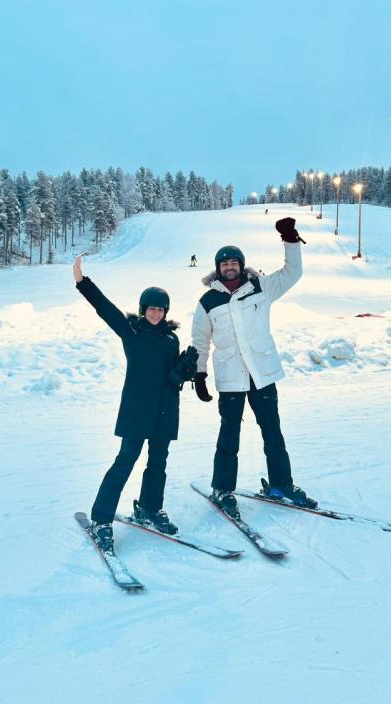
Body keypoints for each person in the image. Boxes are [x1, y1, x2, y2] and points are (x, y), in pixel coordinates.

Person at [191, 217, 317, 518]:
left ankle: (281, 485)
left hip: (261, 374)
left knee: (272, 431)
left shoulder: (261, 287)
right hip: (230, 378)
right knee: (229, 434)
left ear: (241, 264)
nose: (229, 267)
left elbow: (292, 272)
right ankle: (222, 489)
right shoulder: (208, 300)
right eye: (224, 264)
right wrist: (199, 373)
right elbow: (200, 338)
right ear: (218, 268)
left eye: (234, 262)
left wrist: (289, 239)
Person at [73, 255, 198, 550]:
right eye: (151, 308)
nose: (156, 313)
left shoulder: (171, 340)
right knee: (125, 461)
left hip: (165, 411)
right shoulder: (131, 332)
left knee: (158, 463)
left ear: (166, 312)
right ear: (143, 309)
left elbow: (170, 379)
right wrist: (82, 282)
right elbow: (105, 309)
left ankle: (149, 508)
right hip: (137, 410)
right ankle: (101, 519)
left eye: (160, 308)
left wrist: (183, 372)